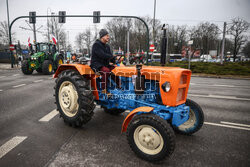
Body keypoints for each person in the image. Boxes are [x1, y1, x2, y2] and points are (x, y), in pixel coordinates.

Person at [90, 29, 120, 94]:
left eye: (108, 35)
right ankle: (104, 90)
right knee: (106, 71)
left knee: (116, 70)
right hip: (97, 65)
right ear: (102, 36)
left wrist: (115, 60)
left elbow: (110, 57)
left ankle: (119, 87)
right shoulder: (96, 45)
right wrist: (113, 57)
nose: (108, 37)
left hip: (105, 64)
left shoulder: (107, 46)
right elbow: (102, 55)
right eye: (107, 35)